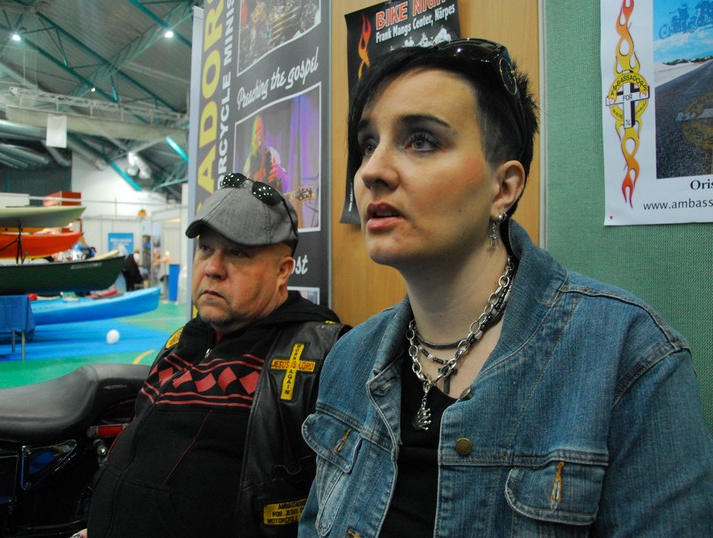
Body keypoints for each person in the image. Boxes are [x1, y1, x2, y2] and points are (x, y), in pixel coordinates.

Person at [298, 38, 712, 536]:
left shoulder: (626, 357)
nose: (371, 171)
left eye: (421, 140)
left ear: (505, 188)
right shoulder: (349, 359)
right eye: (368, 144)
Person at [81, 172, 349, 538]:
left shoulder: (322, 355)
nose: (212, 268)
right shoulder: (183, 340)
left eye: (237, 252)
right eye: (206, 248)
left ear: (282, 271)